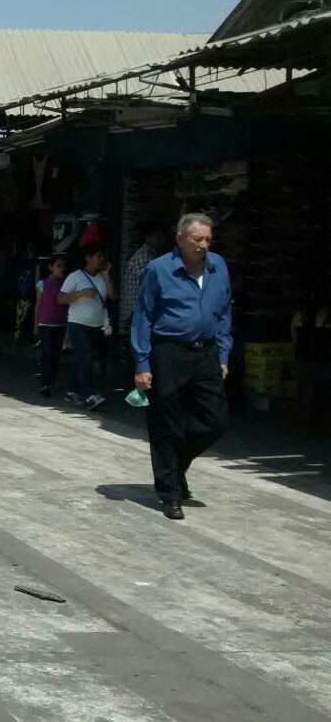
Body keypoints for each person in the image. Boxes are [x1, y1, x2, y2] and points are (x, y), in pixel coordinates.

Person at [131, 213, 231, 521]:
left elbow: (225, 310)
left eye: (207, 239)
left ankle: (175, 465)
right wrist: (142, 362)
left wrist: (224, 355)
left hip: (206, 354)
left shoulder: (218, 266)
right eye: (197, 239)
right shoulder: (159, 269)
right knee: (166, 424)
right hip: (169, 353)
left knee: (215, 421)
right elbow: (144, 315)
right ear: (180, 238)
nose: (203, 245)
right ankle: (170, 493)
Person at [59, 244, 115, 410]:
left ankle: (71, 391)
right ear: (88, 258)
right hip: (78, 324)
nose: (101, 260)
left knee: (83, 359)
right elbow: (60, 298)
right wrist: (81, 294)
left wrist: (106, 275)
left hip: (97, 325)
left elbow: (112, 295)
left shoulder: (101, 276)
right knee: (86, 359)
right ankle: (89, 395)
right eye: (98, 256)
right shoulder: (75, 276)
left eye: (102, 257)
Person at [120, 225, 168, 336]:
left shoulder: (151, 254)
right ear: (148, 238)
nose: (161, 241)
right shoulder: (143, 255)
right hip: (137, 307)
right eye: (158, 237)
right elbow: (146, 279)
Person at [34, 254, 68, 396]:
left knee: (56, 355)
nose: (61, 269)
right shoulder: (43, 284)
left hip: (60, 323)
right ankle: (44, 384)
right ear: (50, 267)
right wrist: (35, 323)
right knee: (46, 354)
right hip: (45, 323)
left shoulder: (66, 284)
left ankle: (51, 381)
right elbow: (38, 304)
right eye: (58, 266)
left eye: (63, 267)